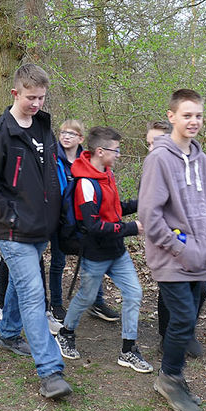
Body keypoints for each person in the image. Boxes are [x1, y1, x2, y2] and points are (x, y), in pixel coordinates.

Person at [0, 62, 71, 400]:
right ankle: (50, 371)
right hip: (12, 231)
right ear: (15, 93)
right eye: (31, 97)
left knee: (20, 282)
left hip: (41, 229)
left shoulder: (44, 127)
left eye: (42, 98)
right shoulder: (0, 133)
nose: (36, 104)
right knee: (34, 293)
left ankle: (8, 333)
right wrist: (12, 216)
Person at [139, 89, 206, 411]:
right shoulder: (159, 159)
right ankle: (169, 379)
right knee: (184, 317)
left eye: (198, 115)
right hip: (170, 257)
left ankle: (175, 373)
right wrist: (181, 249)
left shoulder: (201, 160)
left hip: (199, 257)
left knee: (197, 302)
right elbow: (149, 215)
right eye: (187, 115)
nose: (194, 121)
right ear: (172, 116)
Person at [54, 127, 153, 374]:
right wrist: (132, 228)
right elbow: (93, 225)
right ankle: (66, 332)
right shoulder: (85, 183)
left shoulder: (106, 174)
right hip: (95, 253)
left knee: (133, 293)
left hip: (117, 252)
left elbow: (114, 209)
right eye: (116, 150)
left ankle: (128, 350)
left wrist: (141, 203)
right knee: (86, 297)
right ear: (100, 151)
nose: (119, 154)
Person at [49, 119, 119, 329]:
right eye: (62, 132)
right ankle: (56, 304)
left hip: (84, 219)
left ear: (81, 138)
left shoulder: (88, 159)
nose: (66, 136)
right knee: (58, 262)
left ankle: (96, 302)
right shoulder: (53, 159)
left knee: (92, 261)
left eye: (71, 133)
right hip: (58, 219)